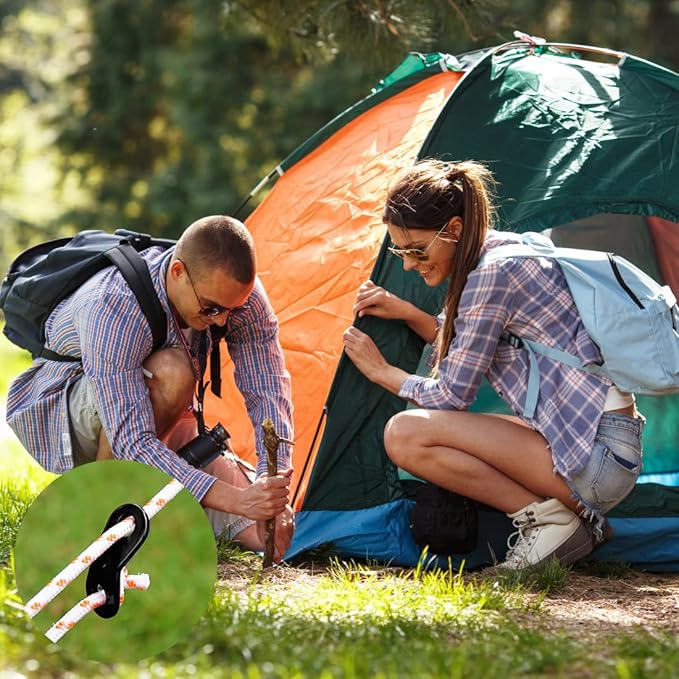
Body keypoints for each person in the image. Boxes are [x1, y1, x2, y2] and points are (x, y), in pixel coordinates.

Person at [342, 159, 644, 570]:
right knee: (468, 428)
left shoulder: (491, 276)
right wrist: (410, 314)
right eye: (400, 250)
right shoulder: (504, 250)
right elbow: (474, 343)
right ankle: (580, 521)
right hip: (607, 444)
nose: (409, 264)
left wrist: (383, 373)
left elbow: (453, 394)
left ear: (453, 230)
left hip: (599, 459)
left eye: (415, 249)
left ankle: (550, 522)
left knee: (405, 434)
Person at [7, 215, 294, 562]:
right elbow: (131, 441)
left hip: (163, 419)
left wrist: (271, 482)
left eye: (231, 310)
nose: (221, 321)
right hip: (72, 412)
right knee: (172, 372)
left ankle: (152, 506)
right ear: (177, 272)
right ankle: (100, 514)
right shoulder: (113, 305)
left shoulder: (236, 298)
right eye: (212, 309)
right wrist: (236, 499)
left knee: (273, 536)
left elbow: (268, 390)